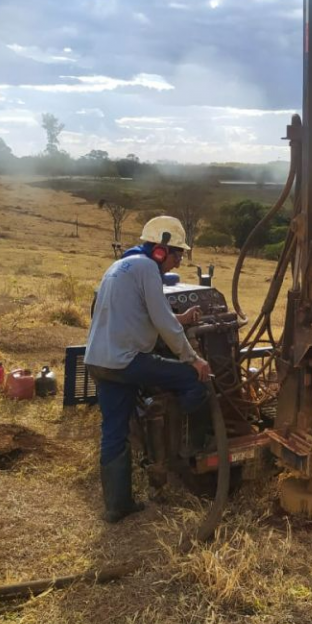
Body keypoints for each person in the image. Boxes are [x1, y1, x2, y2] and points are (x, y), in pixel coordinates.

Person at [85, 216, 212, 523]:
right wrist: (193, 358)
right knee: (196, 381)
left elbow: (149, 316)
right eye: (176, 253)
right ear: (159, 250)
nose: (178, 260)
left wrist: (182, 319)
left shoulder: (119, 267)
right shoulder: (146, 268)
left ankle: (118, 506)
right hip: (128, 360)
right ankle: (184, 446)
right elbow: (162, 323)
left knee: (113, 432)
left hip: (100, 361)